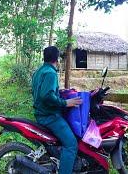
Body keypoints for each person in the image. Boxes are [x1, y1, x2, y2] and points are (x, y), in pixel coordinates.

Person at [32, 46, 82, 174]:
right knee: (71, 144)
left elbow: (43, 91)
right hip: (49, 116)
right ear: (57, 59)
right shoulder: (51, 73)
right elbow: (46, 95)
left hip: (41, 113)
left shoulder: (39, 71)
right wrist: (66, 102)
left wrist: (59, 92)